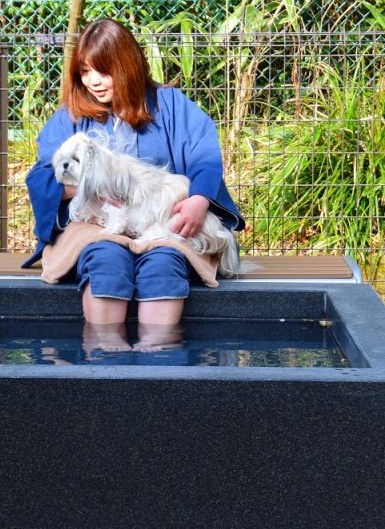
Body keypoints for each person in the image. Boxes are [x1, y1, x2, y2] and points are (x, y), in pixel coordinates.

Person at [24, 18, 244, 340]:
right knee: (106, 259)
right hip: (97, 227)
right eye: (85, 72)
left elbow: (205, 158)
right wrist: (89, 189)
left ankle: (158, 365)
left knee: (164, 263)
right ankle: (104, 360)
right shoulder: (70, 118)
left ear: (127, 65)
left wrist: (198, 200)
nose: (94, 82)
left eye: (103, 71)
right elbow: (43, 175)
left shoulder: (171, 106)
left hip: (163, 222)